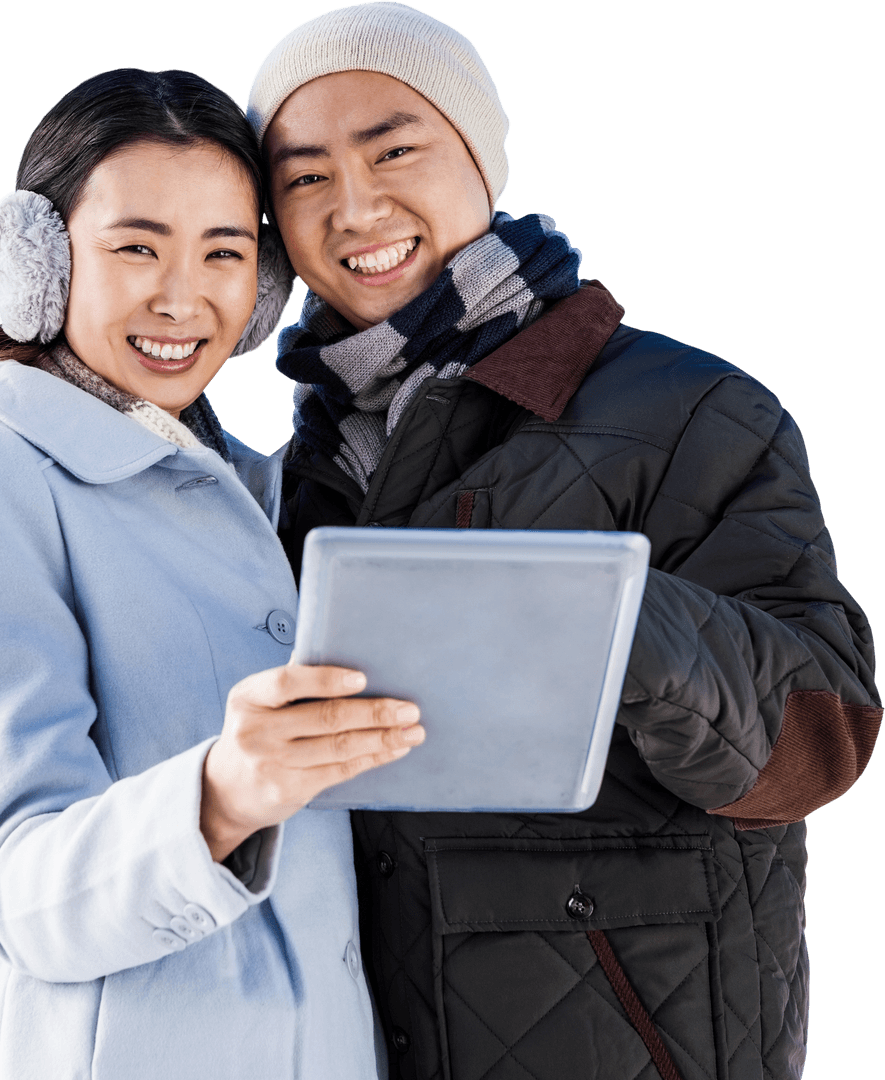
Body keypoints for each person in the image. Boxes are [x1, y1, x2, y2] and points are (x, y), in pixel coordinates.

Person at [245, 4, 882, 1079]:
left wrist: (601, 618)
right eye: (303, 177)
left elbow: (820, 741)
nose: (354, 207)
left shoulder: (693, 409)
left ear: (481, 164)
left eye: (393, 149)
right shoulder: (298, 472)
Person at [0, 67, 427, 1080]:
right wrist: (220, 795)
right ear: (39, 263)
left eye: (223, 252)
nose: (183, 296)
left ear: (261, 288)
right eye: (136, 247)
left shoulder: (267, 494)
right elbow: (17, 885)